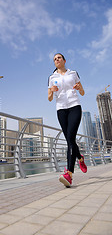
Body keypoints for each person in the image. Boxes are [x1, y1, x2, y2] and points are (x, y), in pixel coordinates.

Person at [48, 53, 87, 187]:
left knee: (70, 137)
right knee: (70, 139)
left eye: (59, 58)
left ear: (64, 60)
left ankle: (69, 174)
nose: (56, 60)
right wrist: (52, 91)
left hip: (74, 106)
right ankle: (80, 158)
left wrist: (79, 88)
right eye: (54, 59)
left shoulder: (73, 73)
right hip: (61, 110)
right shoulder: (52, 77)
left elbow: (82, 92)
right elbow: (49, 98)